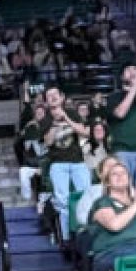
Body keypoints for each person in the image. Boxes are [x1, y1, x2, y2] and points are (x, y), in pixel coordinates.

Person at [40, 85, 91, 241]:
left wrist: (66, 118)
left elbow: (84, 132)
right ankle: (66, 238)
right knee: (62, 202)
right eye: (49, 96)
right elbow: (48, 142)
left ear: (62, 97)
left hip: (77, 161)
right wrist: (55, 123)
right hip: (57, 164)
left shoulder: (72, 113)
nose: (53, 97)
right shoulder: (45, 119)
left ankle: (86, 233)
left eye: (55, 94)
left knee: (86, 196)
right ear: (46, 102)